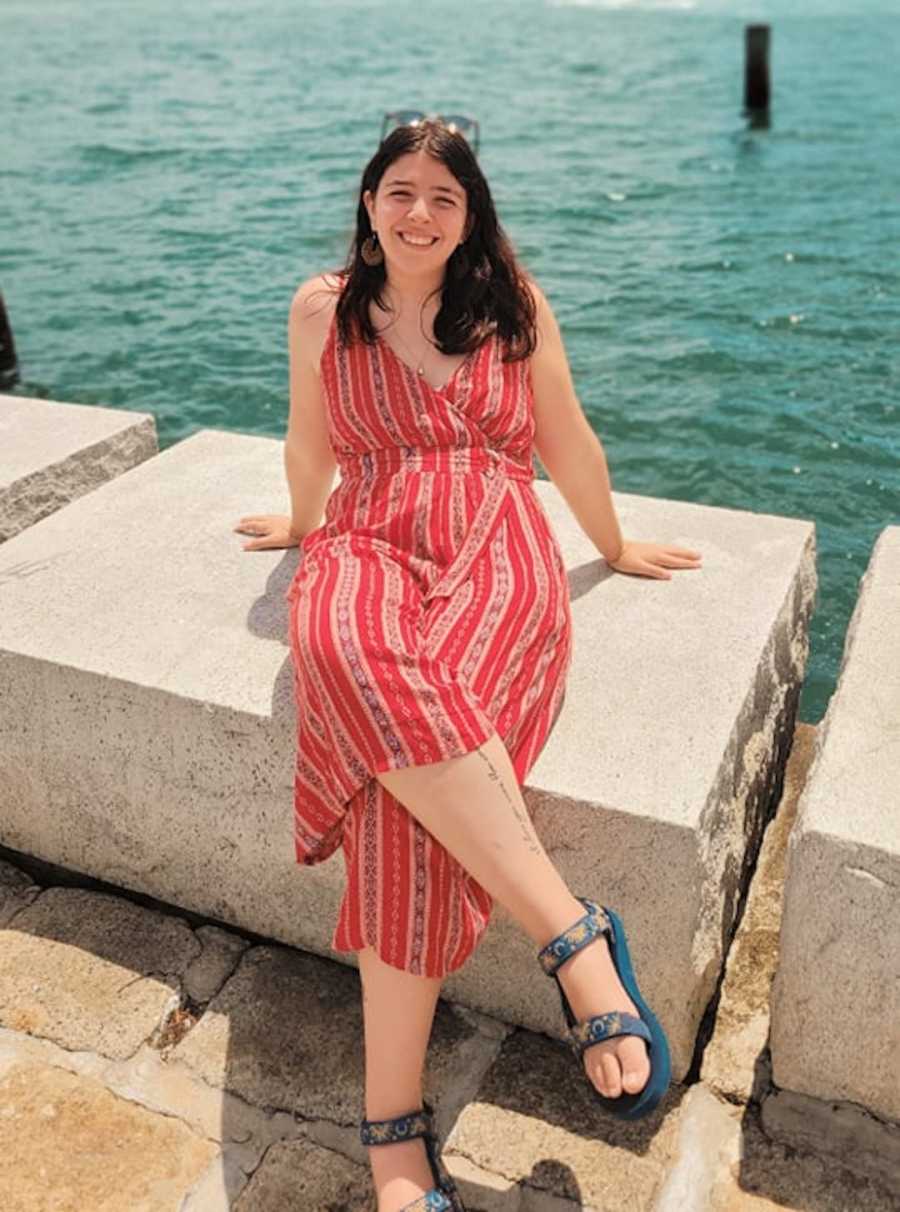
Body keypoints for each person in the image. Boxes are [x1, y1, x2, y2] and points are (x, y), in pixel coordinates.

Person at [234, 117, 702, 1212]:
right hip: (365, 535)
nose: (420, 214)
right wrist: (300, 522)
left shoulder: (515, 306)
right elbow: (310, 441)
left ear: (470, 214)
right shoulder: (320, 310)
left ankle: (391, 1136)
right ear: (368, 202)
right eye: (401, 191)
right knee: (341, 641)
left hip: (497, 541)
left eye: (444, 197)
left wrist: (615, 546)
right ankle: (572, 938)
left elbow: (568, 441)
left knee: (398, 804)